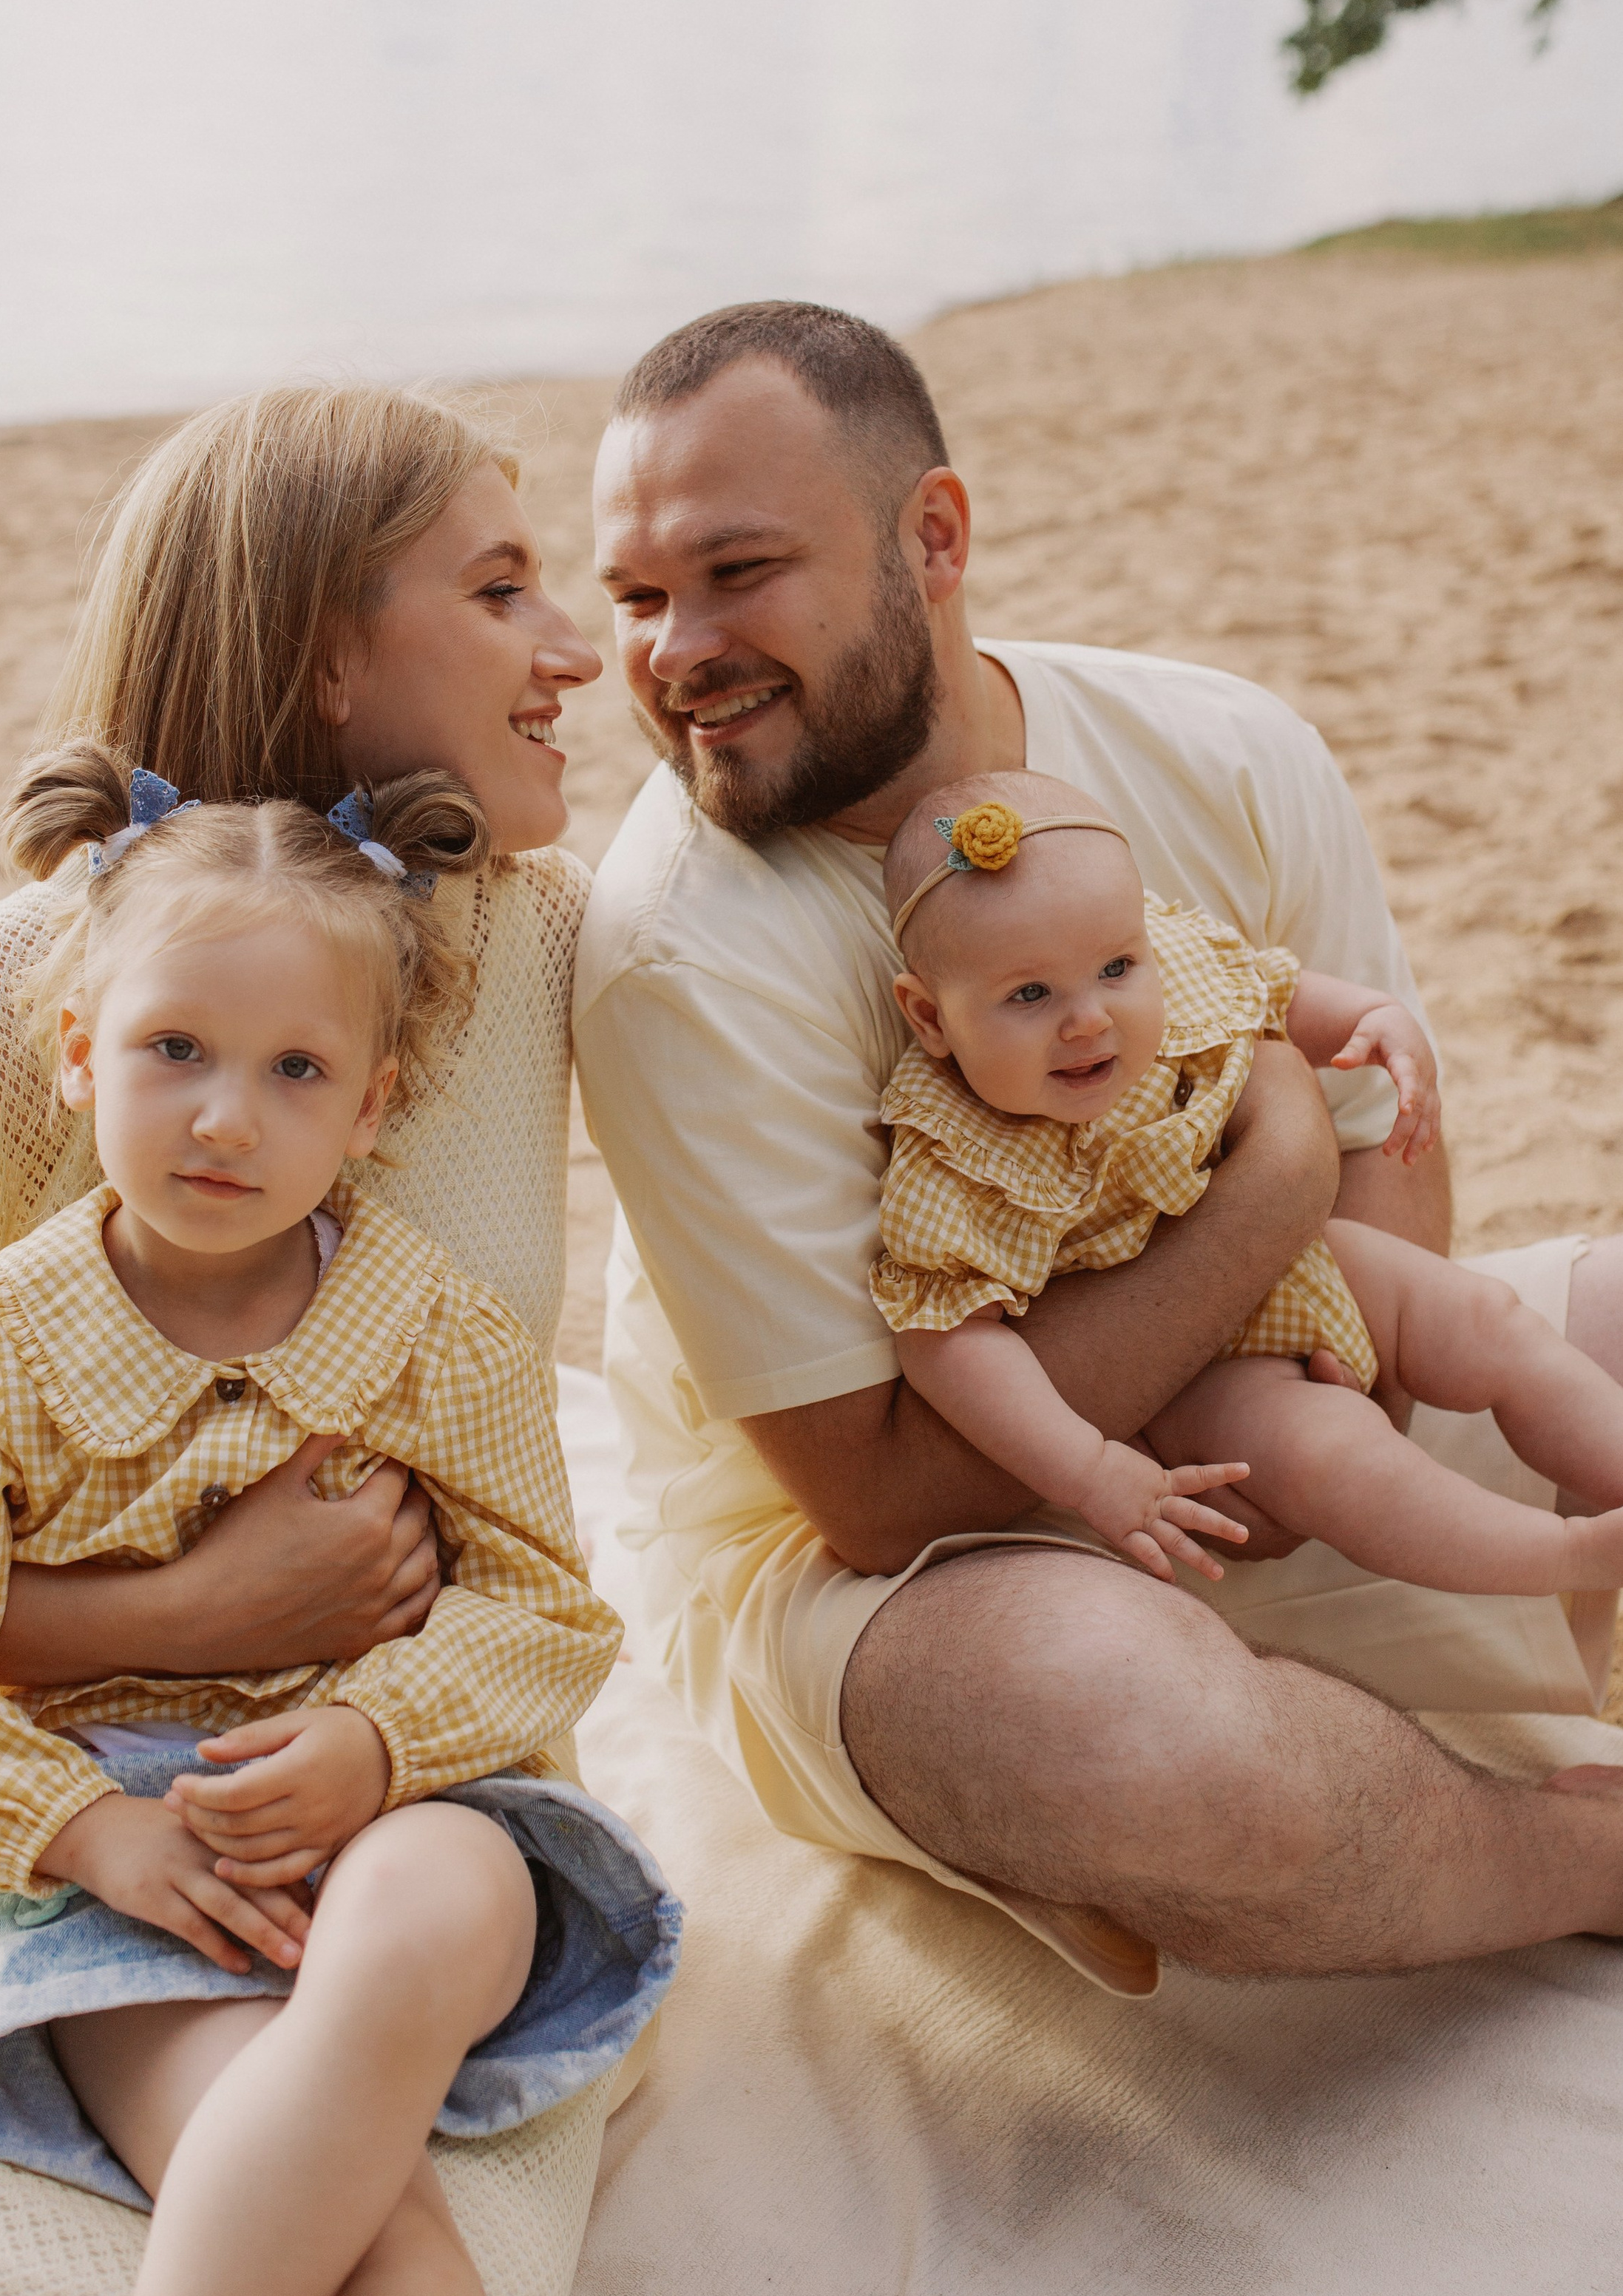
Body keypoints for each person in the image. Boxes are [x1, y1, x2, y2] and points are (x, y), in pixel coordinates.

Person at [574, 296, 1623, 1998]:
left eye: (734, 570)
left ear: (933, 537)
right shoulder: (671, 956)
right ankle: (1578, 1852)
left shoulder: (1221, 748)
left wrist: (1326, 1452)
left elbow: (1391, 1173)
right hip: (893, 1573)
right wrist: (1265, 1185)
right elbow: (873, 1491)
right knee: (1119, 1725)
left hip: (1276, 1399)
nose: (672, 647)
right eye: (633, 596)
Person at [0, 383, 611, 2296]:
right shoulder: (17, 994)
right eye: (500, 590)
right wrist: (176, 1611)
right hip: (96, 1779)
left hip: (416, 1780)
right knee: (373, 2257)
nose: (576, 652)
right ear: (319, 653)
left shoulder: (556, 947)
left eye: (306, 1077)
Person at [875, 767, 1623, 1597]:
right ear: (931, 1018)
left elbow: (1270, 991)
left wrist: (1372, 1020)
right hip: (1194, 1367)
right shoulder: (952, 1155)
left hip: (1303, 1254)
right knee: (1334, 1456)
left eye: (1117, 968)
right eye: (1029, 993)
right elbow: (947, 1343)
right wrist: (1085, 1466)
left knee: (1487, 1320)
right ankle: (1561, 1559)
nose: (1088, 1017)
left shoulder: (1170, 964)